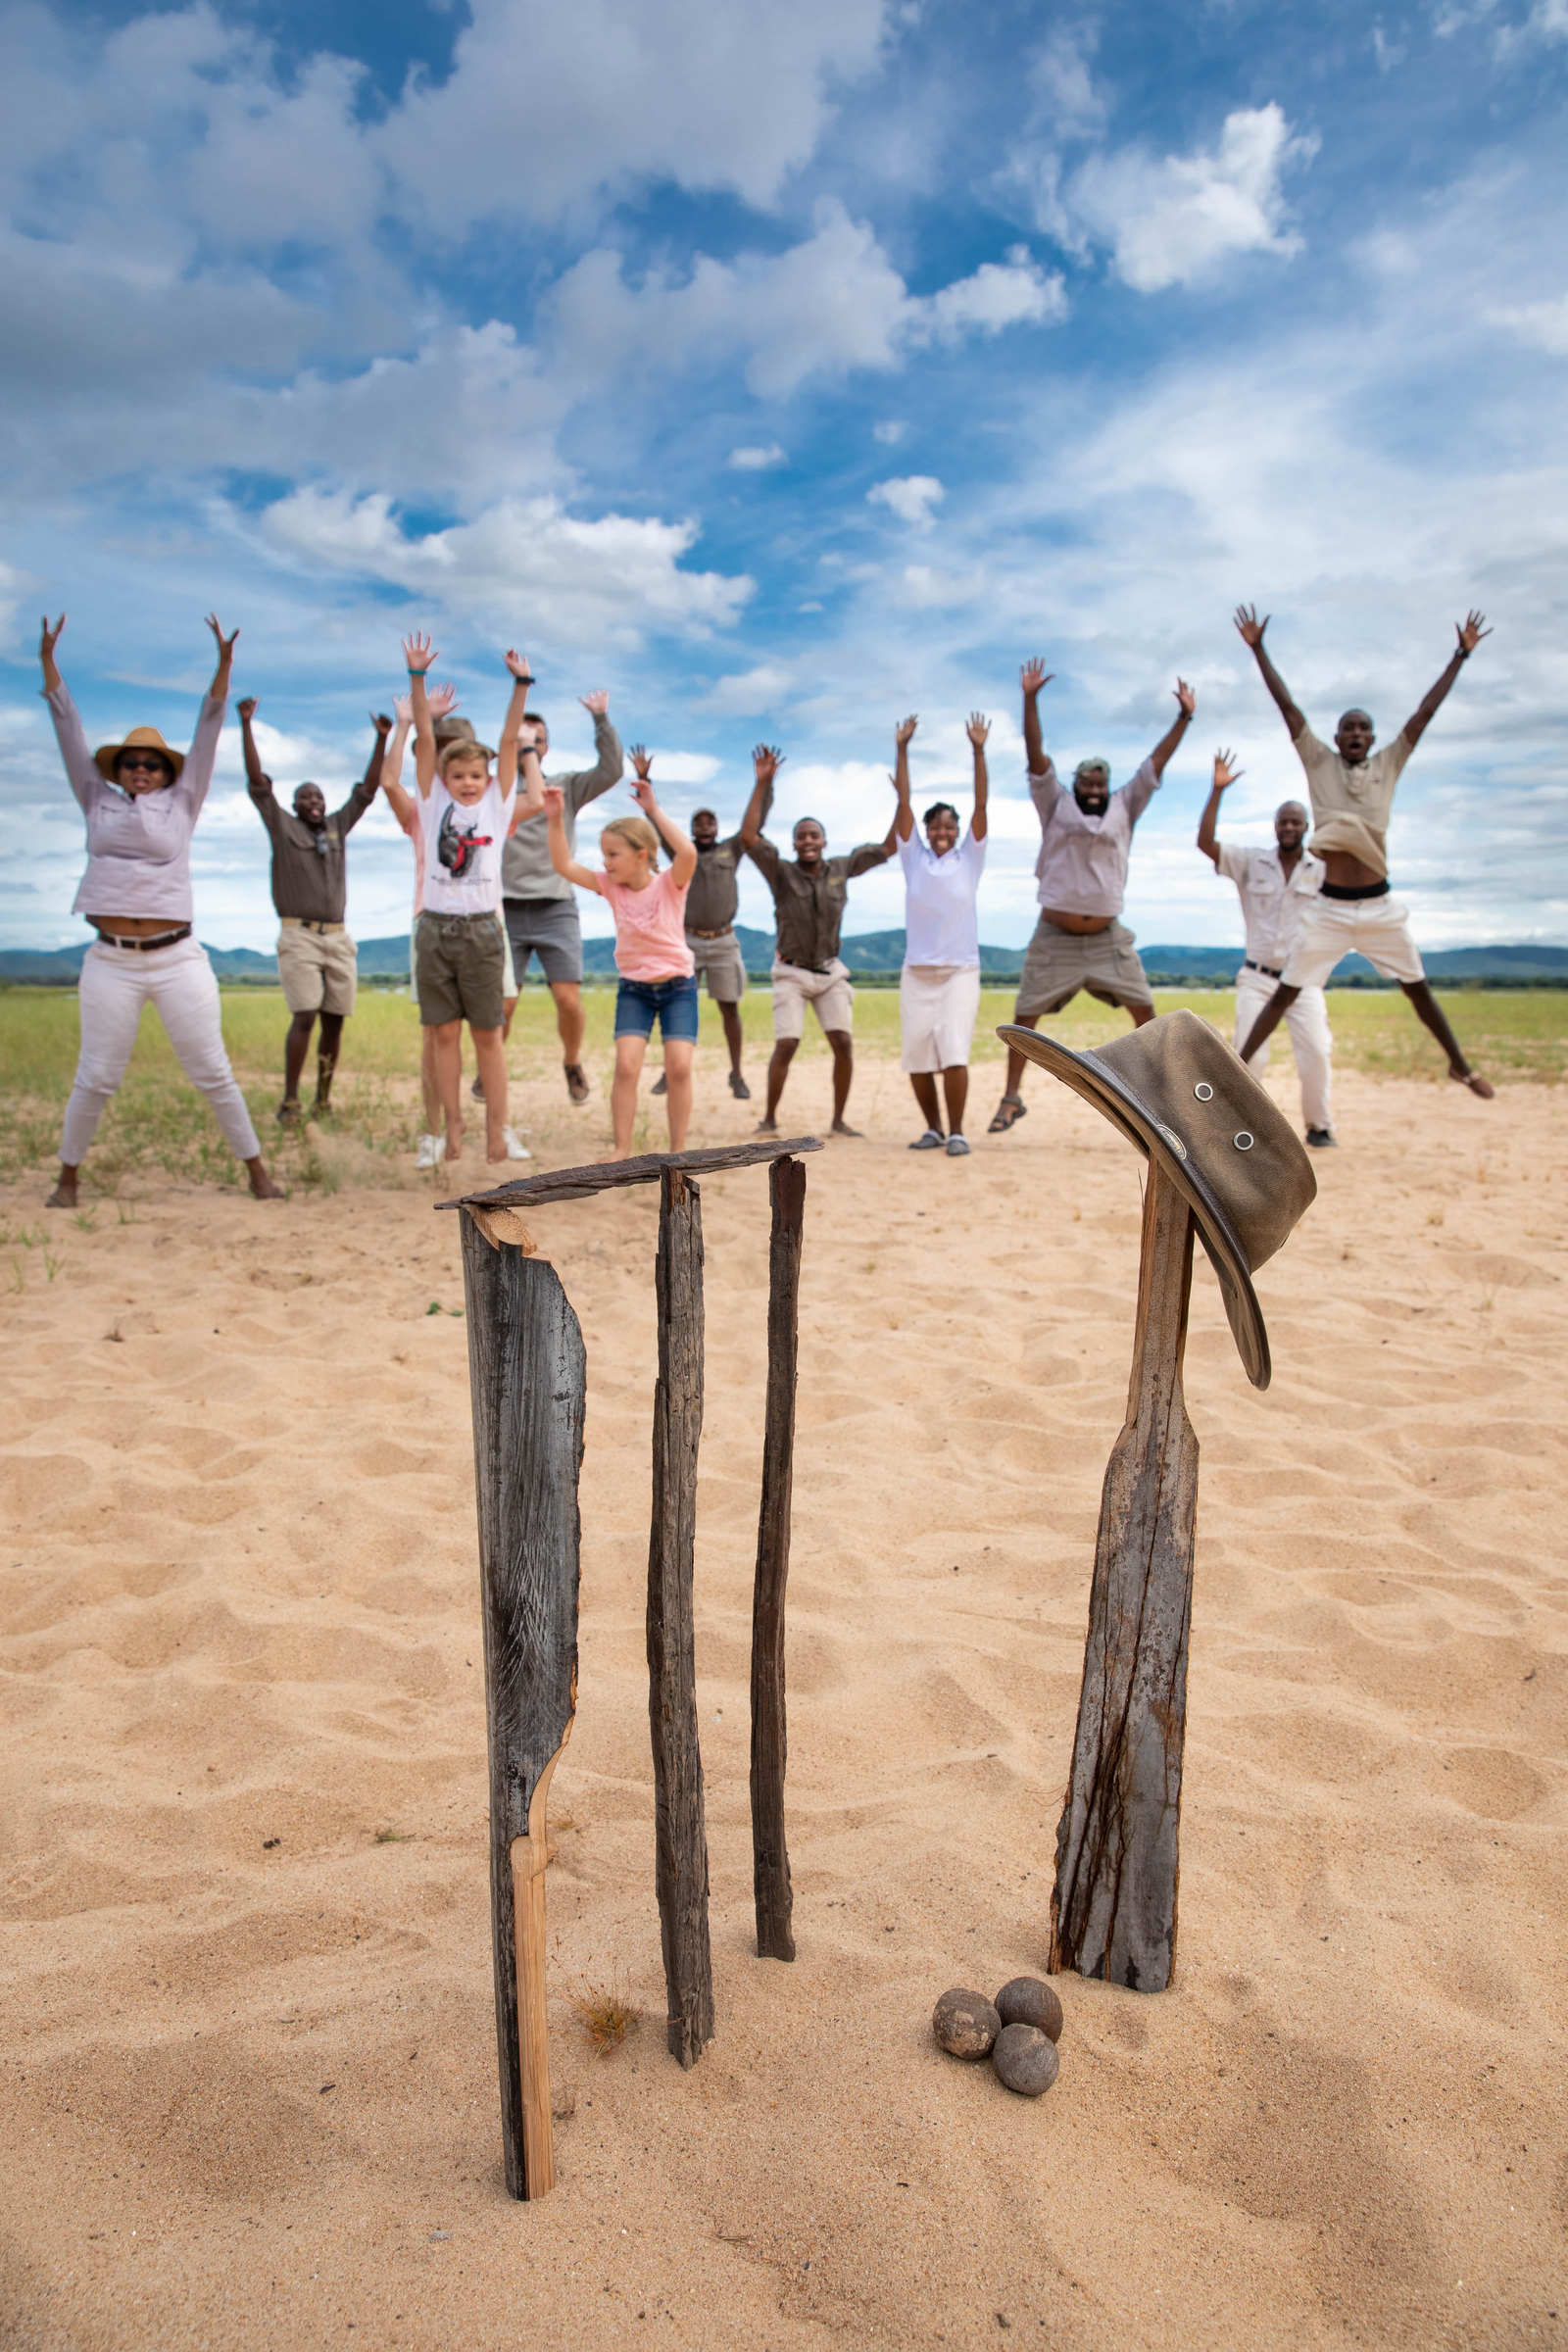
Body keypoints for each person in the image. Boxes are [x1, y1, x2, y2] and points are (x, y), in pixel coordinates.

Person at [38, 612, 282, 1208]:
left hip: (177, 957)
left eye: (150, 763)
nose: (141, 770)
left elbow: (208, 728)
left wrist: (224, 669)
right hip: (111, 959)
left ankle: (257, 1173)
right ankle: (67, 1179)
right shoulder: (95, 798)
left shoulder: (184, 800)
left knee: (213, 1071)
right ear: (115, 771)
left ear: (166, 771)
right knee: (97, 1075)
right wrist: (50, 665)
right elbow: (68, 730)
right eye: (130, 763)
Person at [1232, 606, 1494, 1099]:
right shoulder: (1318, 762)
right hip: (1328, 908)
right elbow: (1289, 710)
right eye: (1348, 728)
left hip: (1379, 906)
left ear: (1372, 738)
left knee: (1416, 986)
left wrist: (1460, 654)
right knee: (1287, 990)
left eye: (1363, 729)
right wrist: (1258, 648)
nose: (1355, 734)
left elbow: (1425, 713)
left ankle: (1459, 1064)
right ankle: (1237, 1068)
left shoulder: (1389, 764)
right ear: (1336, 738)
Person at [990, 659, 1194, 1135]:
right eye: (1088, 784)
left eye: (1101, 784)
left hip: (1107, 936)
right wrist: (1030, 699)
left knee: (1145, 1009)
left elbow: (1155, 764)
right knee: (1025, 1015)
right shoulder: (1055, 802)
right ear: (1076, 786)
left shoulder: (1127, 804)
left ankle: (1162, 1102)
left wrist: (1183, 718)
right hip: (1055, 933)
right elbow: (1035, 756)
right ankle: (1010, 1097)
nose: (1095, 790)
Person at [401, 632, 534, 1163]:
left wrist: (520, 685)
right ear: (442, 779)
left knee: (489, 1037)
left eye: (475, 775)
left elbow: (506, 743)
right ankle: (451, 1131)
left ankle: (495, 1132)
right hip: (434, 927)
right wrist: (417, 679)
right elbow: (428, 746)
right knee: (442, 1038)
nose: (467, 782)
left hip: (482, 930)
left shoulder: (498, 805)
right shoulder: (432, 802)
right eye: (457, 775)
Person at [522, 768, 698, 1159]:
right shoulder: (609, 886)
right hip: (634, 988)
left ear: (641, 855)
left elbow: (687, 853)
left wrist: (653, 809)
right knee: (626, 1066)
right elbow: (563, 864)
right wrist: (554, 818)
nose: (605, 862)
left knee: (680, 1067)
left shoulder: (670, 882)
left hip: (677, 989)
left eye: (612, 854)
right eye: (603, 855)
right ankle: (621, 1148)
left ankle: (679, 1152)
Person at [238, 697, 386, 1125]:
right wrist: (247, 725)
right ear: (295, 804)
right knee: (304, 1015)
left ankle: (323, 1098)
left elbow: (368, 790)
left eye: (318, 795)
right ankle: (290, 1100)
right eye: (305, 796)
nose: (313, 801)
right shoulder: (282, 827)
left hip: (338, 936)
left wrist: (382, 738)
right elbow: (256, 781)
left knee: (335, 1021)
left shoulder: (338, 827)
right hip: (299, 935)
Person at [738, 745, 897, 1137]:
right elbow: (748, 836)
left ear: (824, 841)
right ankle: (770, 1117)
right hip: (790, 971)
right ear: (793, 844)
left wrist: (901, 799)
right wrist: (762, 784)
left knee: (843, 1042)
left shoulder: (841, 868)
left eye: (814, 835)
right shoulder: (781, 872)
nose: (807, 840)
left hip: (829, 971)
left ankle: (839, 1120)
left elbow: (888, 848)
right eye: (801, 836)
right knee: (787, 1043)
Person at [1197, 750, 1334, 1146]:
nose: (1289, 827)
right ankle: (1246, 1130)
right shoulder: (1252, 862)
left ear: (1306, 827)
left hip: (1303, 980)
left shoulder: (1321, 870)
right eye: (1283, 821)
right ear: (1275, 826)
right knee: (1250, 1056)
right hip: (1257, 977)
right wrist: (1217, 791)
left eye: (1296, 821)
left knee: (1317, 1054)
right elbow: (1206, 842)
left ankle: (1319, 1127)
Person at [499, 687, 623, 1105]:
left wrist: (601, 720)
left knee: (569, 1000)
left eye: (533, 741)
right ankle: (491, 1067)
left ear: (545, 746)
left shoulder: (565, 786)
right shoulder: (495, 790)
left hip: (555, 905)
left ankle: (572, 1063)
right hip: (506, 907)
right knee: (504, 1005)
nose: (526, 747)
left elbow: (610, 770)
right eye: (519, 740)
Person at [890, 710, 989, 1156]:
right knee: (916, 1055)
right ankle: (931, 1129)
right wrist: (902, 749)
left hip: (960, 970)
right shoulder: (913, 858)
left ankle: (957, 1132)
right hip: (917, 972)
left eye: (950, 825)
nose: (944, 832)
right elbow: (904, 806)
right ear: (926, 832)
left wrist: (978, 750)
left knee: (953, 1049)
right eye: (937, 827)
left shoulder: (969, 858)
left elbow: (982, 806)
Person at [648, 750, 772, 1103]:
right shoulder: (682, 853)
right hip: (685, 941)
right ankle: (669, 1071)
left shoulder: (731, 850)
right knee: (678, 1004)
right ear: (690, 830)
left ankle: (737, 1074)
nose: (704, 828)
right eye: (698, 824)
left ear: (717, 828)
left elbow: (754, 824)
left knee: (729, 1007)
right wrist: (649, 788)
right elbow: (658, 828)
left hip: (723, 941)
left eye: (710, 823)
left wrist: (764, 784)